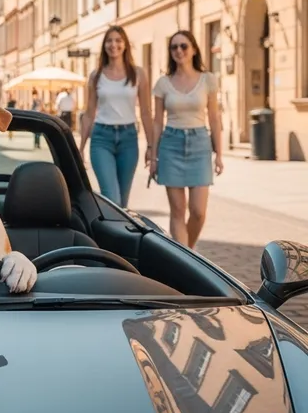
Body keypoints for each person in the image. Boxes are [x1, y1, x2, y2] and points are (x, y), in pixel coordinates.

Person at [151, 30, 223, 249]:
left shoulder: (208, 80)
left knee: (199, 212)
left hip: (200, 143)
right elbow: (157, 122)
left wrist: (219, 154)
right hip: (171, 144)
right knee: (178, 211)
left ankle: (188, 255)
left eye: (183, 46)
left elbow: (214, 118)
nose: (179, 51)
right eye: (174, 47)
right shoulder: (163, 83)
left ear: (193, 49)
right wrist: (153, 156)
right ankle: (187, 261)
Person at [79, 25, 153, 207]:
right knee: (112, 197)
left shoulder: (138, 74)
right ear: (104, 46)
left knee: (123, 203)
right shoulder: (96, 76)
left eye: (118, 40)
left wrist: (151, 146)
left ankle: (115, 236)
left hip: (128, 138)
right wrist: (80, 147)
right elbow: (89, 113)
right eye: (109, 41)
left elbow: (145, 112)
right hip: (101, 138)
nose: (114, 45)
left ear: (125, 45)